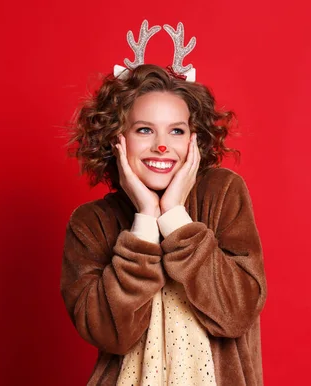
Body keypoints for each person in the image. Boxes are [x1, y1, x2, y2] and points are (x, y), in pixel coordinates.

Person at [60, 21, 267, 386]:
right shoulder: (90, 223)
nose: (161, 145)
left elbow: (238, 312)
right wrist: (144, 220)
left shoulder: (222, 193)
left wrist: (175, 217)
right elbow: (110, 333)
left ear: (193, 140)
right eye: (144, 129)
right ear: (116, 139)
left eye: (176, 130)